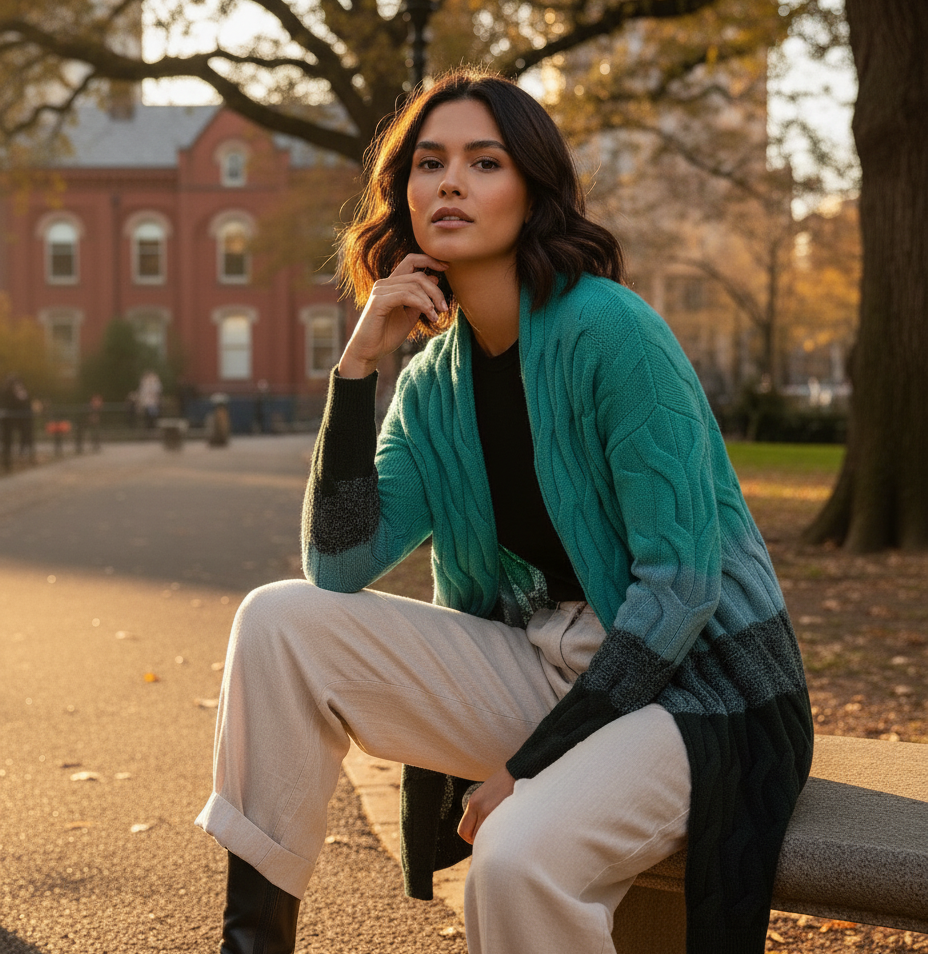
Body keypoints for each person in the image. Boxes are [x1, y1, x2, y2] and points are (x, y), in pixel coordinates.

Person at [196, 69, 813, 954]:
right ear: (402, 195)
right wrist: (359, 367)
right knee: (279, 621)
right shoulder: (431, 385)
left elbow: (680, 591)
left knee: (516, 860)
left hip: (693, 690)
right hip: (541, 665)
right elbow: (337, 565)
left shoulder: (612, 332)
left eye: (483, 163)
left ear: (533, 190)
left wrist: (529, 766)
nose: (449, 182)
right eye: (429, 163)